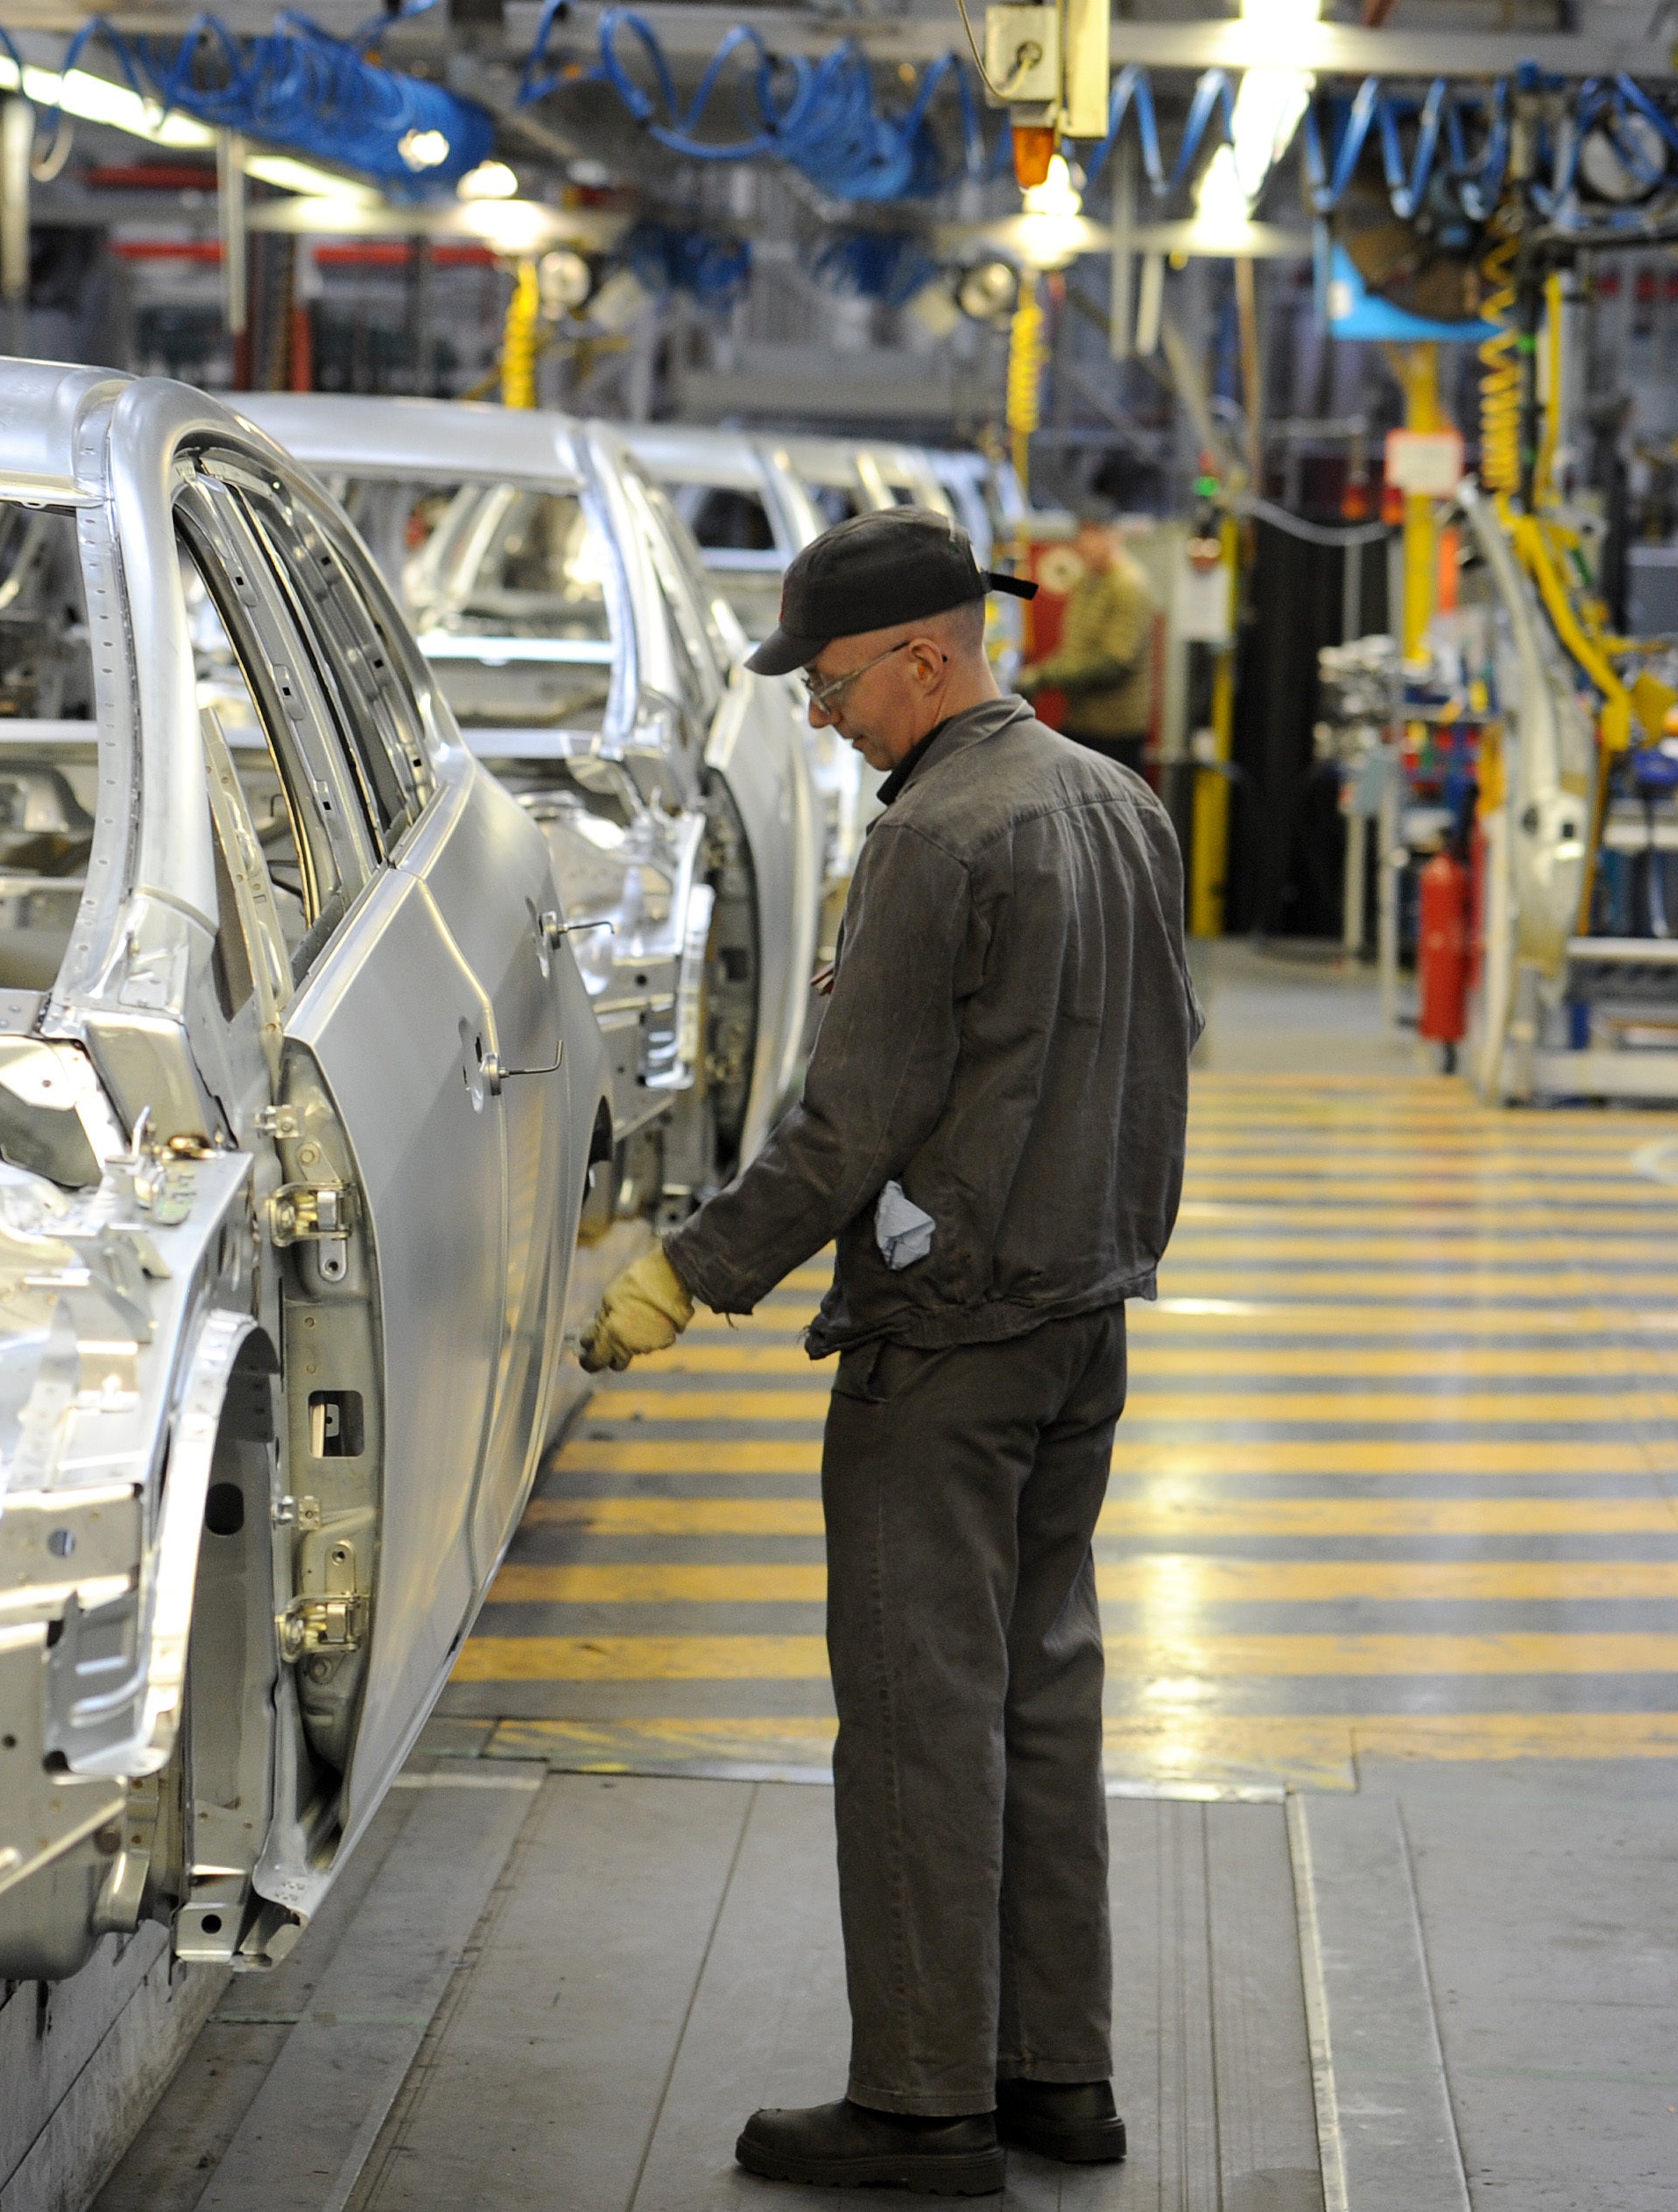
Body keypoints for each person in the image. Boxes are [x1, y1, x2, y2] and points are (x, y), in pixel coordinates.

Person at [579, 507, 1196, 2198]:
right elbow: (1164, 1058)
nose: (819, 715)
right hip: (1083, 1322)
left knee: (922, 1714)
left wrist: (684, 1278)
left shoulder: (940, 837)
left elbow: (847, 1125)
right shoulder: (1115, 804)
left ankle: (923, 2107)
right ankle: (1054, 2078)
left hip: (948, 1345)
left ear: (926, 655)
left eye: (833, 683)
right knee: (1038, 1698)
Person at [1013, 500, 1156, 773]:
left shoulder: (1128, 586)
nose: (1083, 543)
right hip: (1080, 722)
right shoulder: (1089, 580)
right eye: (1082, 534)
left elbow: (1114, 662)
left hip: (1113, 732)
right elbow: (1076, 648)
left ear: (1113, 536)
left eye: (1093, 534)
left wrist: (1044, 677)